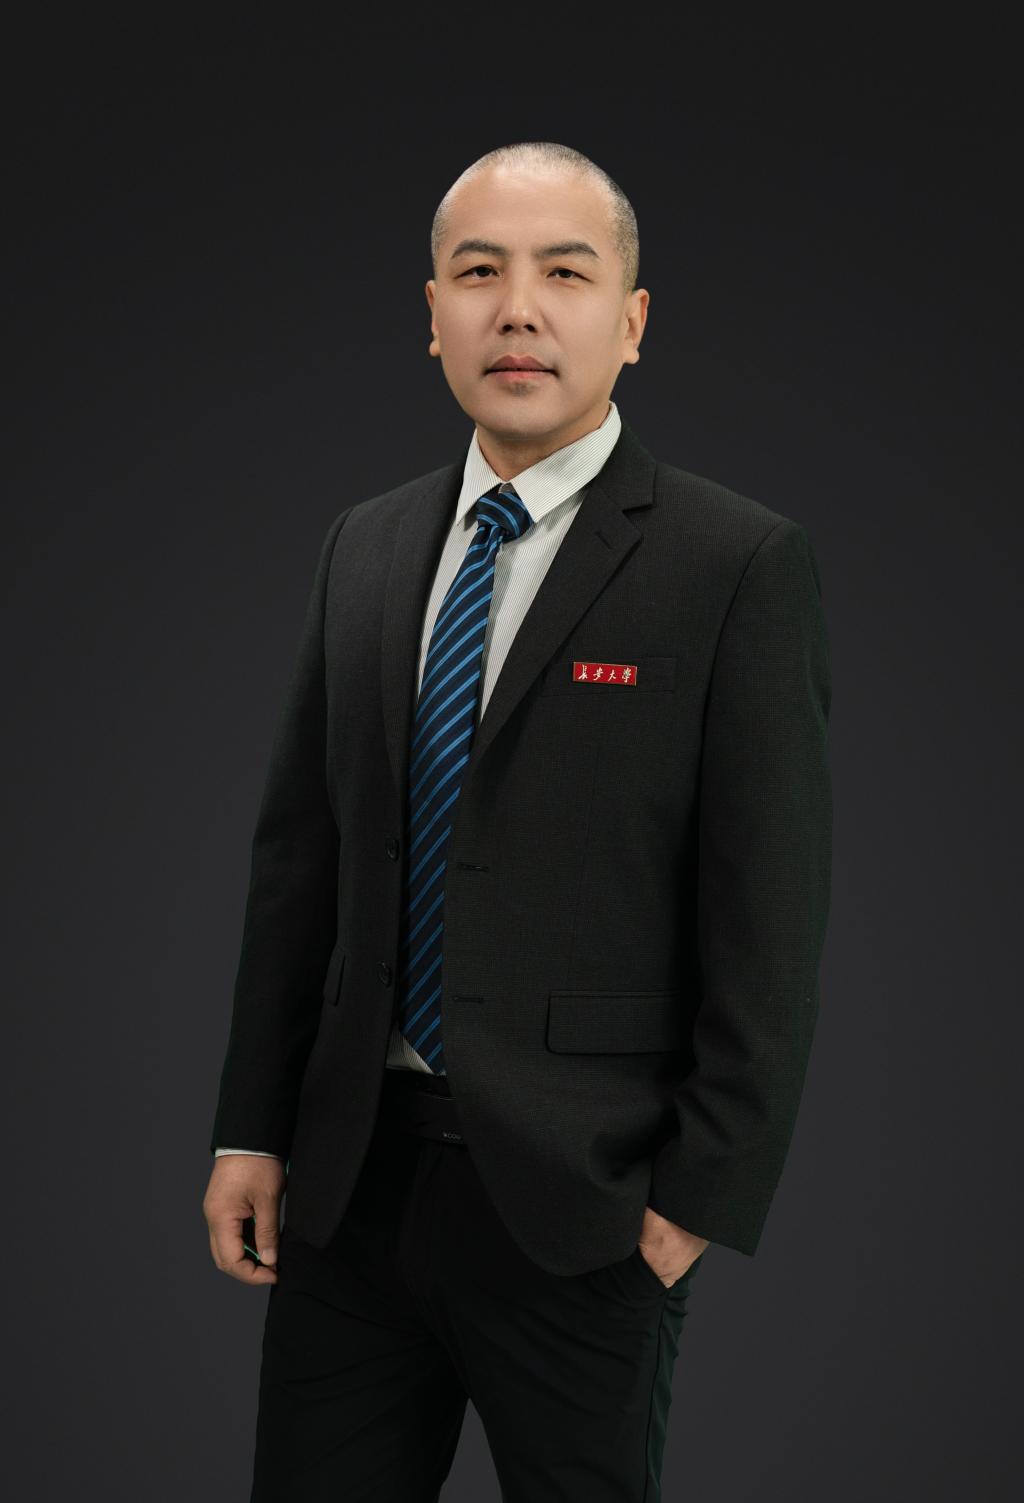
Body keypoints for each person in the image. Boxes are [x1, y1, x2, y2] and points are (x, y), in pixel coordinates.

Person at [202, 139, 833, 1502]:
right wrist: (249, 1129)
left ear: (633, 321)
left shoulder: (735, 564)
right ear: (432, 313)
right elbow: (299, 863)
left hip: (585, 1206)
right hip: (349, 1189)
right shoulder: (364, 547)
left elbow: (770, 910)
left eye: (566, 273)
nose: (520, 310)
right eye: (480, 273)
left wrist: (694, 1206)